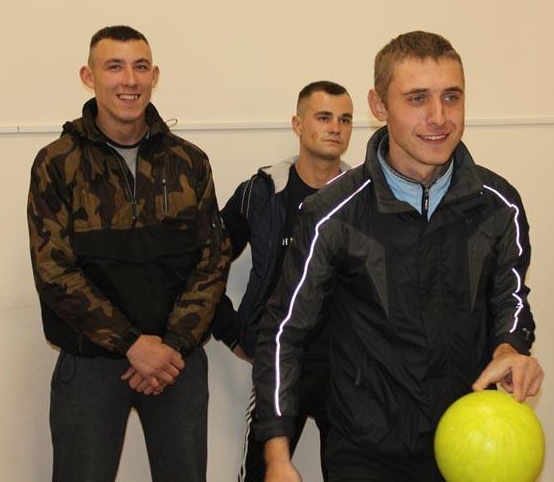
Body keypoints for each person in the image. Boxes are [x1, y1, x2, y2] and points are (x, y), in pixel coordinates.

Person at [252, 31, 544, 482]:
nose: (438, 117)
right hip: (367, 452)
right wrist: (276, 456)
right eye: (417, 98)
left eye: (451, 97)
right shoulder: (331, 213)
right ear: (379, 105)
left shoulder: (499, 203)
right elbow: (283, 333)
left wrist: (510, 346)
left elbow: (511, 297)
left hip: (470, 444)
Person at [27, 25, 230, 482]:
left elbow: (213, 261)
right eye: (114, 67)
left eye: (140, 67)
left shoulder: (189, 161)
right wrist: (132, 345)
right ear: (89, 76)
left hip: (176, 364)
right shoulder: (57, 163)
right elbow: (54, 271)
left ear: (155, 76)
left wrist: (171, 346)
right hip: (91, 365)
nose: (130, 80)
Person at [211, 81, 353, 480]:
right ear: (298, 124)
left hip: (348, 369)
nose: (335, 127)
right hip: (279, 364)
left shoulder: (365, 195)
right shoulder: (262, 193)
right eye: (323, 117)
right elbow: (205, 264)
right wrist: (231, 330)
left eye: (344, 119)